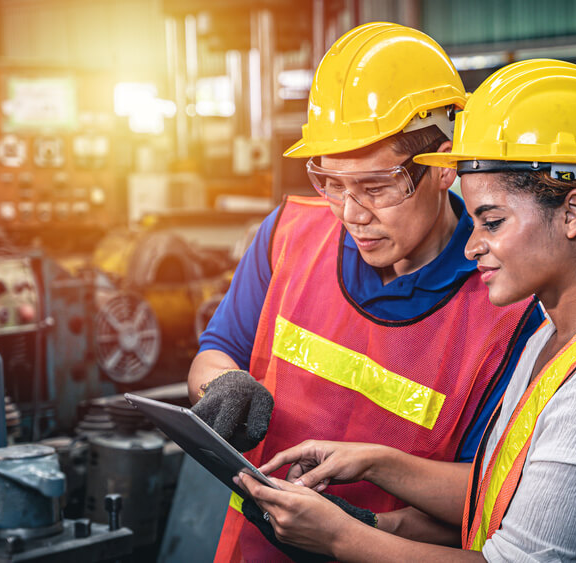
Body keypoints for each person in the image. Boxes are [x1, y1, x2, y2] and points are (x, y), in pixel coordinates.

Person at [237, 59, 576, 562]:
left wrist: (342, 539)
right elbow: (493, 499)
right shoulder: (553, 340)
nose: (473, 245)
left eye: (492, 222)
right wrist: (375, 475)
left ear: (573, 213)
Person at [188, 23, 540, 561]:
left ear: (444, 166)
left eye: (376, 187)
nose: (352, 215)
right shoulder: (288, 236)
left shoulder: (509, 305)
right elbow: (213, 355)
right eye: (331, 183)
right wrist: (224, 386)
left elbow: (496, 495)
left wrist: (365, 528)